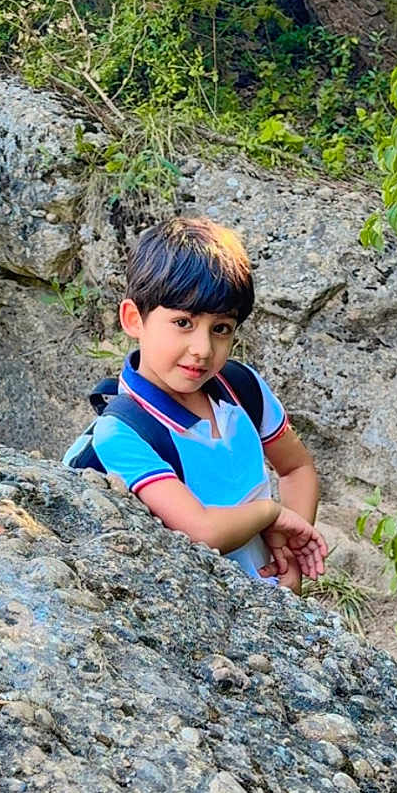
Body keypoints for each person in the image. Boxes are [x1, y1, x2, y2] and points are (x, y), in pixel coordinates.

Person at [64, 216, 326, 592]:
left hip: (269, 601)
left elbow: (297, 467)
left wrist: (292, 552)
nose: (202, 349)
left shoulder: (242, 386)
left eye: (220, 329)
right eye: (183, 323)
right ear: (134, 319)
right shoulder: (123, 432)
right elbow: (203, 532)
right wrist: (272, 514)